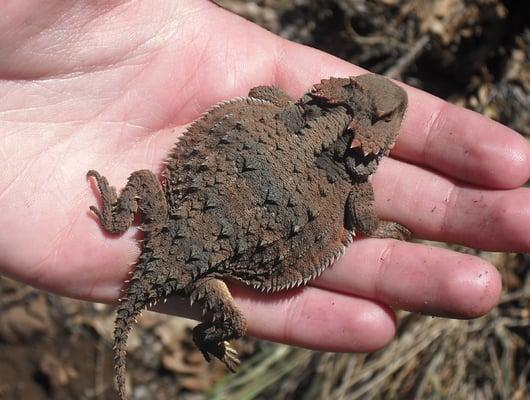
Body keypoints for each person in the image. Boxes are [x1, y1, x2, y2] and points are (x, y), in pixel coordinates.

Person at [0, 1, 528, 353]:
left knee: (140, 181)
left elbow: (258, 96)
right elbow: (363, 222)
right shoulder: (356, 192)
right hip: (207, 267)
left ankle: (117, 218)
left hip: (177, 220)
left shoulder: (278, 107)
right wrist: (384, 229)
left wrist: (121, 213)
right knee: (232, 320)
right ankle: (212, 338)